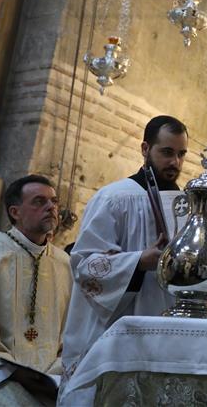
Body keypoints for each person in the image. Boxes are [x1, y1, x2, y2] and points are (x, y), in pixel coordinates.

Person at [60, 116, 188, 381]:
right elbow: (84, 265)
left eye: (181, 154)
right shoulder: (115, 198)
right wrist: (138, 261)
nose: (175, 162)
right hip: (116, 334)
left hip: (168, 336)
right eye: (166, 152)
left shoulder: (186, 207)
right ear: (145, 149)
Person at [0, 175, 72, 405]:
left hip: (54, 377)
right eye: (39, 201)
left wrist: (55, 372)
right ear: (15, 212)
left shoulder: (65, 263)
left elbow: (73, 331)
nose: (51, 207)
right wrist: (14, 371)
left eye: (54, 201)